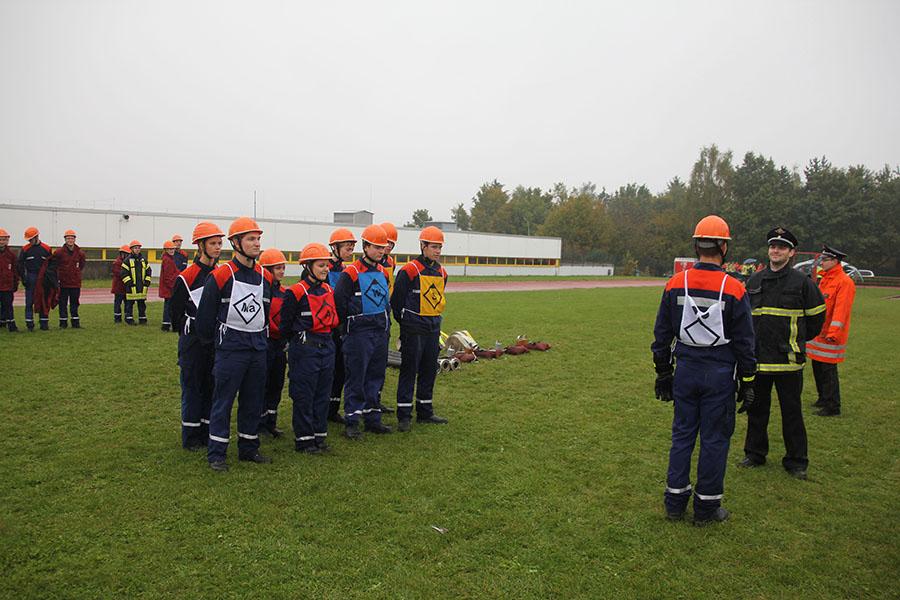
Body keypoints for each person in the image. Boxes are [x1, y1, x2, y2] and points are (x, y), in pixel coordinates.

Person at [651, 215, 756, 526]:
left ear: (696, 245)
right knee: (714, 439)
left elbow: (662, 333)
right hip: (720, 374)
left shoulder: (675, 283)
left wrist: (662, 372)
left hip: (685, 370)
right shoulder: (735, 288)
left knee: (682, 435)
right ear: (723, 246)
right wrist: (748, 381)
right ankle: (707, 508)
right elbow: (745, 341)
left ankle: (674, 502)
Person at [738, 227, 826, 480]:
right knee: (757, 410)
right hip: (758, 361)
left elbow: (817, 319)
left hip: (788, 362)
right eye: (773, 246)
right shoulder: (754, 281)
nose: (776, 250)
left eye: (782, 247)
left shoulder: (802, 283)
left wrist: (797, 341)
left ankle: (796, 461)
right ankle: (755, 453)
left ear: (791, 252)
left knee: (792, 412)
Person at [196, 217, 272, 471]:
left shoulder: (265, 276)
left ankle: (249, 449)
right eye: (251, 239)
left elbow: (266, 310)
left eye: (258, 238)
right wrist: (215, 344)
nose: (256, 243)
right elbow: (205, 317)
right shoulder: (221, 275)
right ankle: (217, 453)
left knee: (253, 401)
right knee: (223, 402)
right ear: (236, 243)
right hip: (231, 350)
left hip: (257, 349)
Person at [333, 224, 393, 438]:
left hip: (380, 332)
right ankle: (351, 421)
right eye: (376, 247)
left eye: (382, 247)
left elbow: (386, 302)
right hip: (358, 334)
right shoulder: (350, 274)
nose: (380, 251)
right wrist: (345, 330)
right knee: (356, 377)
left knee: (376, 376)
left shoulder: (383, 272)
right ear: (366, 247)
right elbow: (339, 303)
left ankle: (372, 419)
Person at [281, 243, 340, 454]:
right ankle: (305, 441)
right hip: (305, 349)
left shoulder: (329, 289)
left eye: (327, 265)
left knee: (323, 394)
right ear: (307, 266)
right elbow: (285, 325)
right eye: (321, 265)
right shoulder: (295, 292)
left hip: (327, 347)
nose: (326, 269)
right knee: (304, 394)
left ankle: (319, 437)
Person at [391, 226, 451, 432]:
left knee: (428, 371)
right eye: (434, 247)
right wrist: (406, 323)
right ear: (423, 246)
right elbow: (396, 301)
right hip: (413, 329)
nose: (437, 251)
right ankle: (404, 416)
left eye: (440, 247)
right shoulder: (409, 270)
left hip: (433, 328)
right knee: (409, 371)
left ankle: (425, 412)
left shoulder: (442, 272)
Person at [170, 222, 224, 451]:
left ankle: (207, 432)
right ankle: (191, 436)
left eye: (220, 243)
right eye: (213, 243)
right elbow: (175, 316)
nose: (218, 247)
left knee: (212, 387)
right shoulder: (186, 277)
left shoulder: (221, 274)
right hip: (192, 343)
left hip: (215, 341)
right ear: (201, 245)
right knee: (192, 388)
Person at [808, 245, 856, 417]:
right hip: (818, 333)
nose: (822, 262)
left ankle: (832, 405)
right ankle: (823, 398)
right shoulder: (825, 279)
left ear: (835, 261)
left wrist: (833, 333)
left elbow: (841, 310)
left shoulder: (844, 282)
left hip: (830, 335)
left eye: (825, 259)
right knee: (817, 367)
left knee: (828, 371)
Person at [326, 227, 357, 424]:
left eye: (352, 247)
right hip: (326, 327)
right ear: (335, 247)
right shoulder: (322, 267)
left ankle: (333, 409)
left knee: (340, 369)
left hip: (342, 325)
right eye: (347, 247)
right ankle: (321, 407)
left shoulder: (346, 270)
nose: (350, 251)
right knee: (328, 369)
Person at [258, 248, 288, 438]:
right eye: (278, 268)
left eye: (283, 267)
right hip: (265, 343)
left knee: (276, 384)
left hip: (279, 344)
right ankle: (259, 423)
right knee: (263, 384)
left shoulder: (285, 292)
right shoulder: (260, 291)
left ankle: (271, 422)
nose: (282, 271)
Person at [375, 221, 400, 414]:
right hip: (372, 313)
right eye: (386, 243)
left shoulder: (391, 262)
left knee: (381, 359)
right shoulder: (372, 262)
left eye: (391, 243)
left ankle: (377, 398)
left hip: (386, 311)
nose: (388, 247)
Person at [17, 227, 53, 331]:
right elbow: (20, 265)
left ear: (36, 237)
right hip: (31, 277)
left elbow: (51, 265)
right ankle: (29, 324)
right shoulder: (25, 249)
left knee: (43, 301)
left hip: (43, 278)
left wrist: (49, 278)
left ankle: (44, 323)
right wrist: (23, 278)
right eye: (28, 240)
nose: (29, 241)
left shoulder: (46, 248)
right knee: (29, 302)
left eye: (30, 239)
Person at [53, 229, 87, 329]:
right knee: (62, 303)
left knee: (75, 303)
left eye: (72, 238)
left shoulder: (80, 253)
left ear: (75, 239)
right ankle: (63, 323)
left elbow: (81, 265)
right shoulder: (59, 252)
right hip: (63, 282)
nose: (70, 240)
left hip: (75, 283)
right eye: (68, 238)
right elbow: (54, 266)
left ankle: (75, 323)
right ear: (65, 239)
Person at [121, 240, 152, 325]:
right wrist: (129, 282)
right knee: (129, 304)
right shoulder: (127, 261)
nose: (137, 249)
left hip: (142, 287)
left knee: (142, 304)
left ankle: (142, 319)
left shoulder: (143, 260)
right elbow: (123, 273)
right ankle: (129, 319)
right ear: (131, 249)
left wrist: (147, 281)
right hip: (132, 287)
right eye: (135, 248)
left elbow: (148, 271)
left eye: (138, 248)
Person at [0, 228, 19, 332]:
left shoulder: (11, 254)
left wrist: (15, 283)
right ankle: (2, 322)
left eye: (4, 239)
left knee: (8, 306)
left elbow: (15, 270)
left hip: (7, 286)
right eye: (0, 239)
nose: (2, 242)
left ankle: (11, 325)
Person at [159, 240, 179, 331]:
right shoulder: (168, 260)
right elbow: (168, 277)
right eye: (170, 249)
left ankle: (167, 324)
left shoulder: (168, 259)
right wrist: (173, 287)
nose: (172, 251)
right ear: (166, 250)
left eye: (173, 249)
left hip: (168, 287)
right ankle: (166, 325)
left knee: (169, 307)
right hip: (169, 288)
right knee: (169, 307)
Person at [110, 245, 129, 323]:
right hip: (119, 287)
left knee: (127, 303)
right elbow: (120, 274)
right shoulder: (117, 263)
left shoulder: (125, 262)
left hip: (125, 287)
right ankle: (117, 318)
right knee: (118, 303)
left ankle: (127, 317)